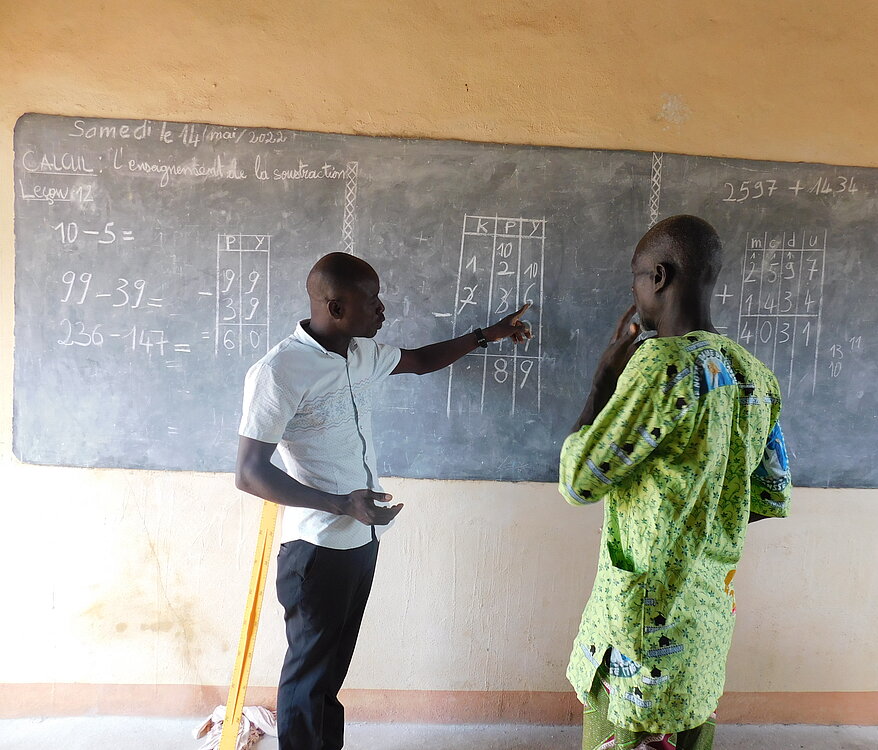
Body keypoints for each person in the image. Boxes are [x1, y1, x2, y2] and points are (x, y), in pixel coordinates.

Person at [235, 251, 531, 750]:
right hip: (316, 549)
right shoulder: (280, 371)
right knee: (308, 678)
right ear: (335, 306)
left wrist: (488, 335)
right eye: (371, 299)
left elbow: (420, 361)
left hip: (362, 537)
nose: (382, 308)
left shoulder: (362, 355)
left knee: (329, 675)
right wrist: (341, 504)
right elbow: (249, 472)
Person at [559, 215, 792, 750]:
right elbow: (768, 495)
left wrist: (602, 381)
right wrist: (697, 523)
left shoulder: (661, 365)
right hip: (704, 620)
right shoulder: (755, 375)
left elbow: (578, 481)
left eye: (636, 278)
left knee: (627, 735)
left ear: (659, 276)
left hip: (642, 631)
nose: (635, 292)